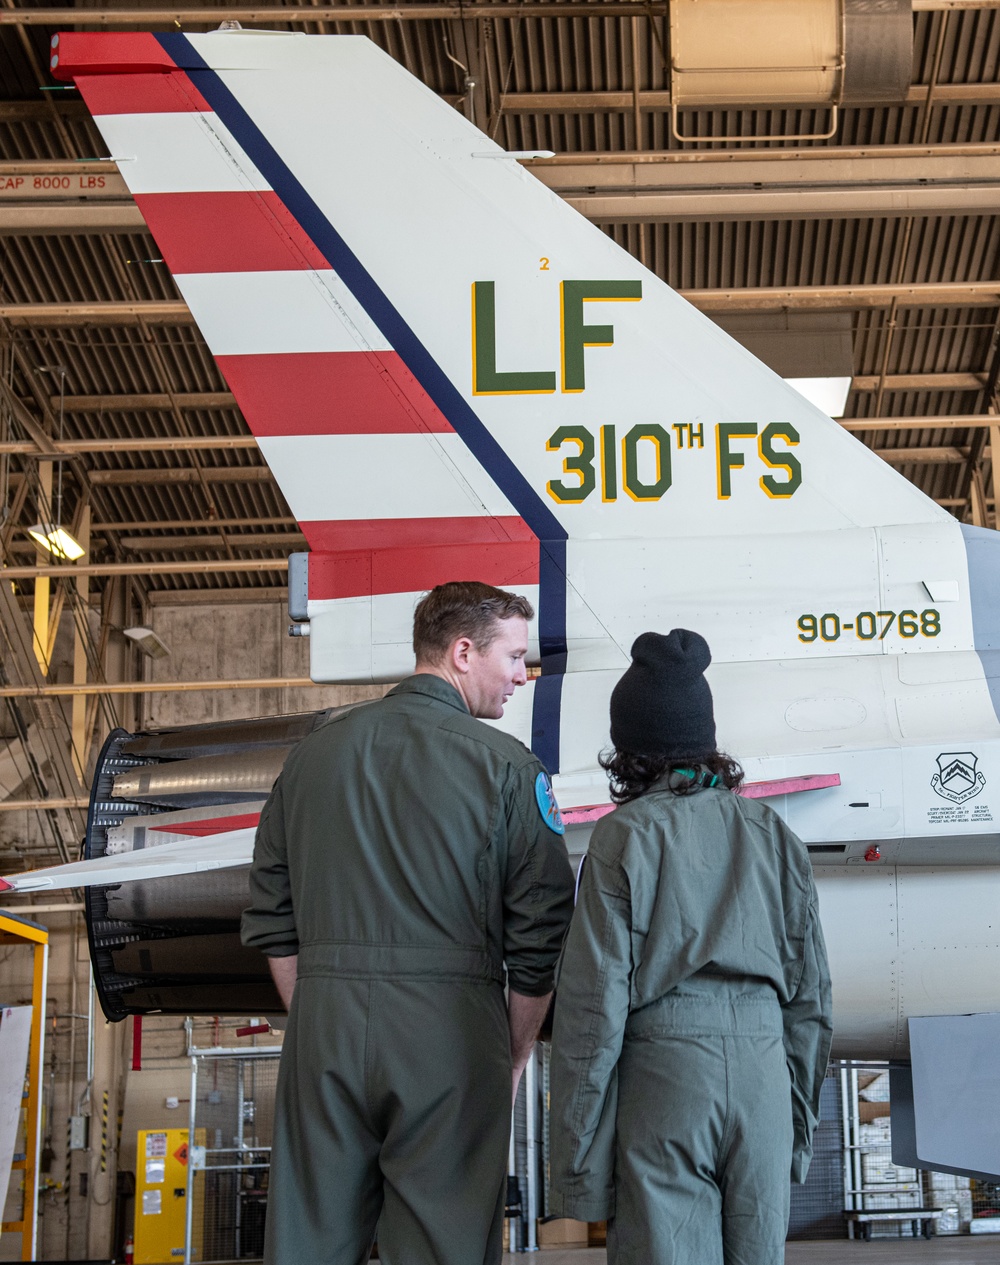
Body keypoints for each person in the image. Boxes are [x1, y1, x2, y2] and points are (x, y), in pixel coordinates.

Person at [241, 580, 574, 1265]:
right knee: (442, 1241)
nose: (522, 673)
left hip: (324, 1025)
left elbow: (272, 915)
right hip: (448, 1033)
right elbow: (542, 934)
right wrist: (510, 1052)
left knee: (308, 1241)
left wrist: (318, 1013)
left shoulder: (308, 758)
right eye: (513, 655)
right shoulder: (508, 767)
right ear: (461, 652)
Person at [549, 629, 833, 1265]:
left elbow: (593, 1009)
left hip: (666, 1078)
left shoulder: (623, 836)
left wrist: (578, 1163)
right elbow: (812, 999)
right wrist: (793, 1126)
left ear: (628, 751)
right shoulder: (774, 835)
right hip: (763, 1077)